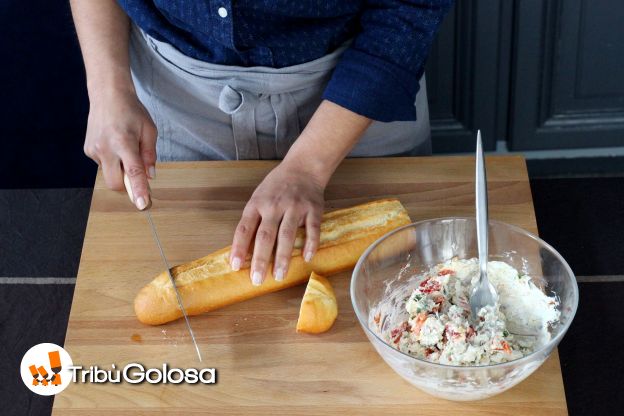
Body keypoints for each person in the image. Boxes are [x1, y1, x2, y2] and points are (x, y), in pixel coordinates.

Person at [70, 0, 453, 287]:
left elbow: (411, 7)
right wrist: (107, 90)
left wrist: (308, 166)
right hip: (175, 96)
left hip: (359, 93)